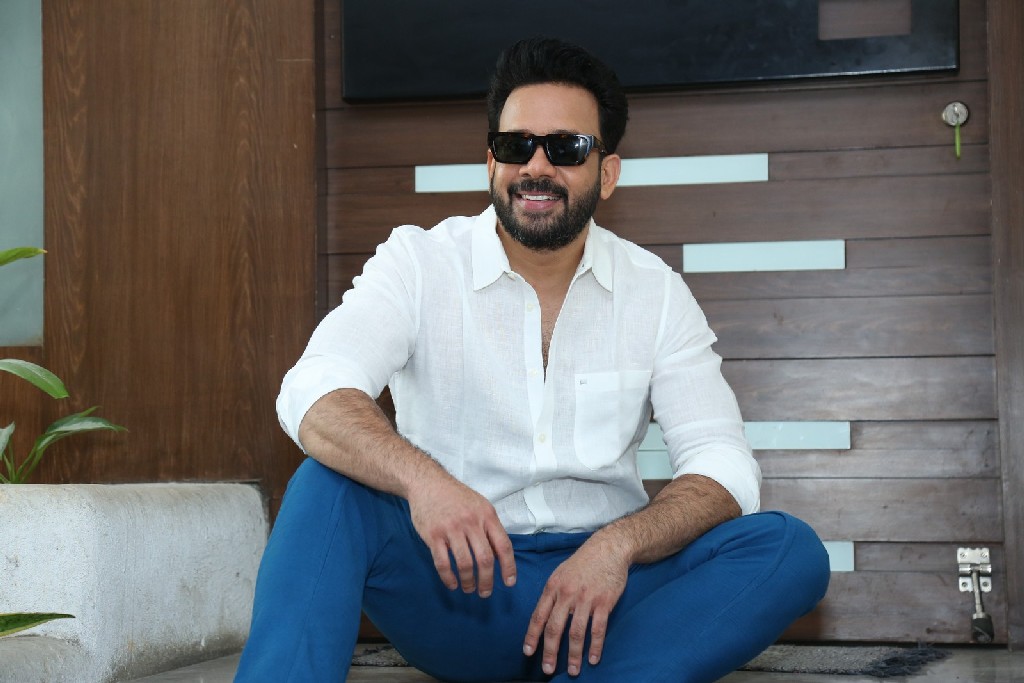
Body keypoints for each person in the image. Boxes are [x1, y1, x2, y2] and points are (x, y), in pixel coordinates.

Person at [235, 37, 830, 683]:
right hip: (460, 587)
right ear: (491, 162)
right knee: (327, 485)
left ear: (607, 172)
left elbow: (723, 463)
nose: (536, 167)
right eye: (517, 145)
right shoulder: (418, 263)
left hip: (606, 594)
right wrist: (426, 484)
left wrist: (619, 545)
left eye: (566, 148)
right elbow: (314, 388)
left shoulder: (655, 291)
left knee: (788, 549)